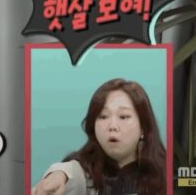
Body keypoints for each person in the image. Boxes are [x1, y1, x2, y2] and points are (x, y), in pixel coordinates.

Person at [32, 78, 167, 195]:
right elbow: (71, 172)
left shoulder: (168, 173)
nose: (112, 126)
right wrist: (60, 175)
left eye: (123, 117)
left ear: (143, 126)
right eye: (103, 116)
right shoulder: (84, 173)